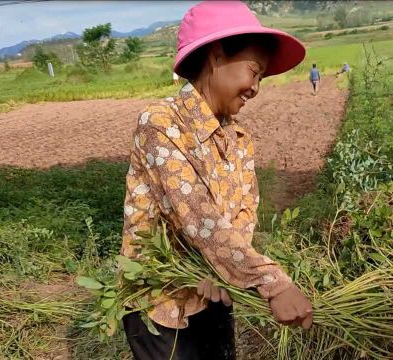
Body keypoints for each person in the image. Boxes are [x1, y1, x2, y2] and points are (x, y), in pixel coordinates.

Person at [120, 2, 313, 359]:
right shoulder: (161, 123)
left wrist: (222, 271)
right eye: (254, 72)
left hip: (216, 292)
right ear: (216, 54)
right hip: (162, 302)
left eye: (261, 78)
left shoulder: (238, 138)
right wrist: (272, 281)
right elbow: (196, 217)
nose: (256, 87)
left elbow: (243, 215)